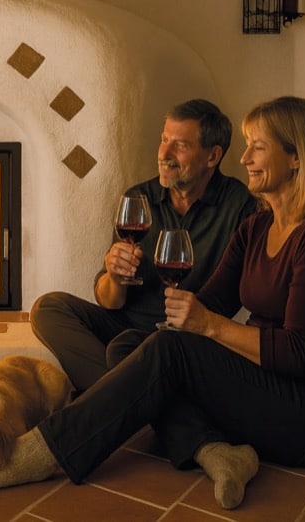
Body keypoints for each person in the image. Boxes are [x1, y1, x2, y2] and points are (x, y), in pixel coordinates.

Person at [0, 96, 305, 510]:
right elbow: (210, 301)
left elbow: (300, 355)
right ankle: (213, 448)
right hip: (272, 384)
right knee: (134, 345)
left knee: (163, 350)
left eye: (258, 146)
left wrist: (209, 327)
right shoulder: (259, 226)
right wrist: (156, 304)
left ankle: (44, 452)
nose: (245, 157)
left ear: (296, 158)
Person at [31, 99, 258, 392]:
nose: (164, 153)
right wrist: (113, 276)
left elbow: (238, 296)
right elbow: (111, 301)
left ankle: (115, 403)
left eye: (181, 145)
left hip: (187, 339)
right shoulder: (139, 199)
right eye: (164, 140)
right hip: (125, 329)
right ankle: (132, 400)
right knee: (48, 308)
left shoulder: (240, 207)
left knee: (124, 352)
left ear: (212, 156)